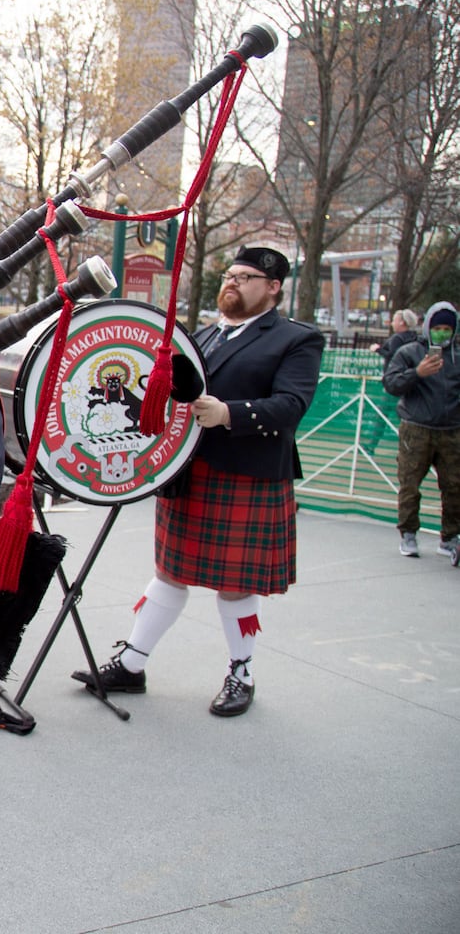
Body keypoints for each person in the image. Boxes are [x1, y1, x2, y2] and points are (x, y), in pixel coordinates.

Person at [72, 246, 324, 717]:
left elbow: (292, 405)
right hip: (188, 472)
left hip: (246, 476)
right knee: (169, 574)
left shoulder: (294, 339)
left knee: (236, 586)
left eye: (246, 277)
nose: (233, 283)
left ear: (273, 287)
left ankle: (241, 673)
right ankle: (131, 665)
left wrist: (231, 413)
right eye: (230, 275)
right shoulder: (204, 336)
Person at [382, 301, 458, 561]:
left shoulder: (457, 356)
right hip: (416, 429)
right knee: (410, 483)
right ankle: (408, 534)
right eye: (438, 328)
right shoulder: (410, 352)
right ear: (428, 327)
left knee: (454, 486)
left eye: (448, 328)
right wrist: (418, 373)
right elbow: (391, 383)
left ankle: (449, 537)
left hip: (452, 431)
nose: (443, 333)